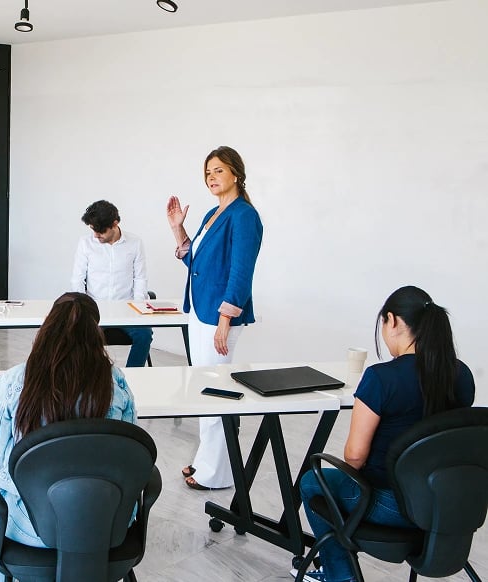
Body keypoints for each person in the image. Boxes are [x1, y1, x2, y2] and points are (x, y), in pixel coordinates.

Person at [294, 286, 475, 582]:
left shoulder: (381, 378)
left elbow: (354, 456)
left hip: (392, 506)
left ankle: (340, 574)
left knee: (313, 481)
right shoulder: (461, 374)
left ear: (392, 321)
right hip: (445, 502)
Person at [0, 292, 137, 552]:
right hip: (108, 525)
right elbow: (131, 455)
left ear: (47, 327)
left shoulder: (14, 380)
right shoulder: (114, 381)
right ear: (96, 333)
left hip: (31, 526)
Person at [166, 145, 263, 490]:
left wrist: (226, 319)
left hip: (217, 318)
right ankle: (208, 461)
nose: (211, 177)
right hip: (200, 311)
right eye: (207, 172)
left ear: (236, 173)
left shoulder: (244, 216)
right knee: (204, 390)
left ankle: (217, 473)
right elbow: (195, 261)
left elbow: (241, 271)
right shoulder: (212, 214)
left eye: (218, 170)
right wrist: (179, 228)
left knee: (215, 392)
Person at [71, 200, 152, 367]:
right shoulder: (85, 243)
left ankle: (131, 377)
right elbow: (77, 280)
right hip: (95, 311)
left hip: (126, 310)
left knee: (144, 335)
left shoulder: (135, 243)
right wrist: (85, 310)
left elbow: (140, 279)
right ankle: (94, 380)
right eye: (93, 230)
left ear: (115, 224)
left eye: (100, 231)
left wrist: (137, 311)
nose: (95, 235)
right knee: (80, 335)